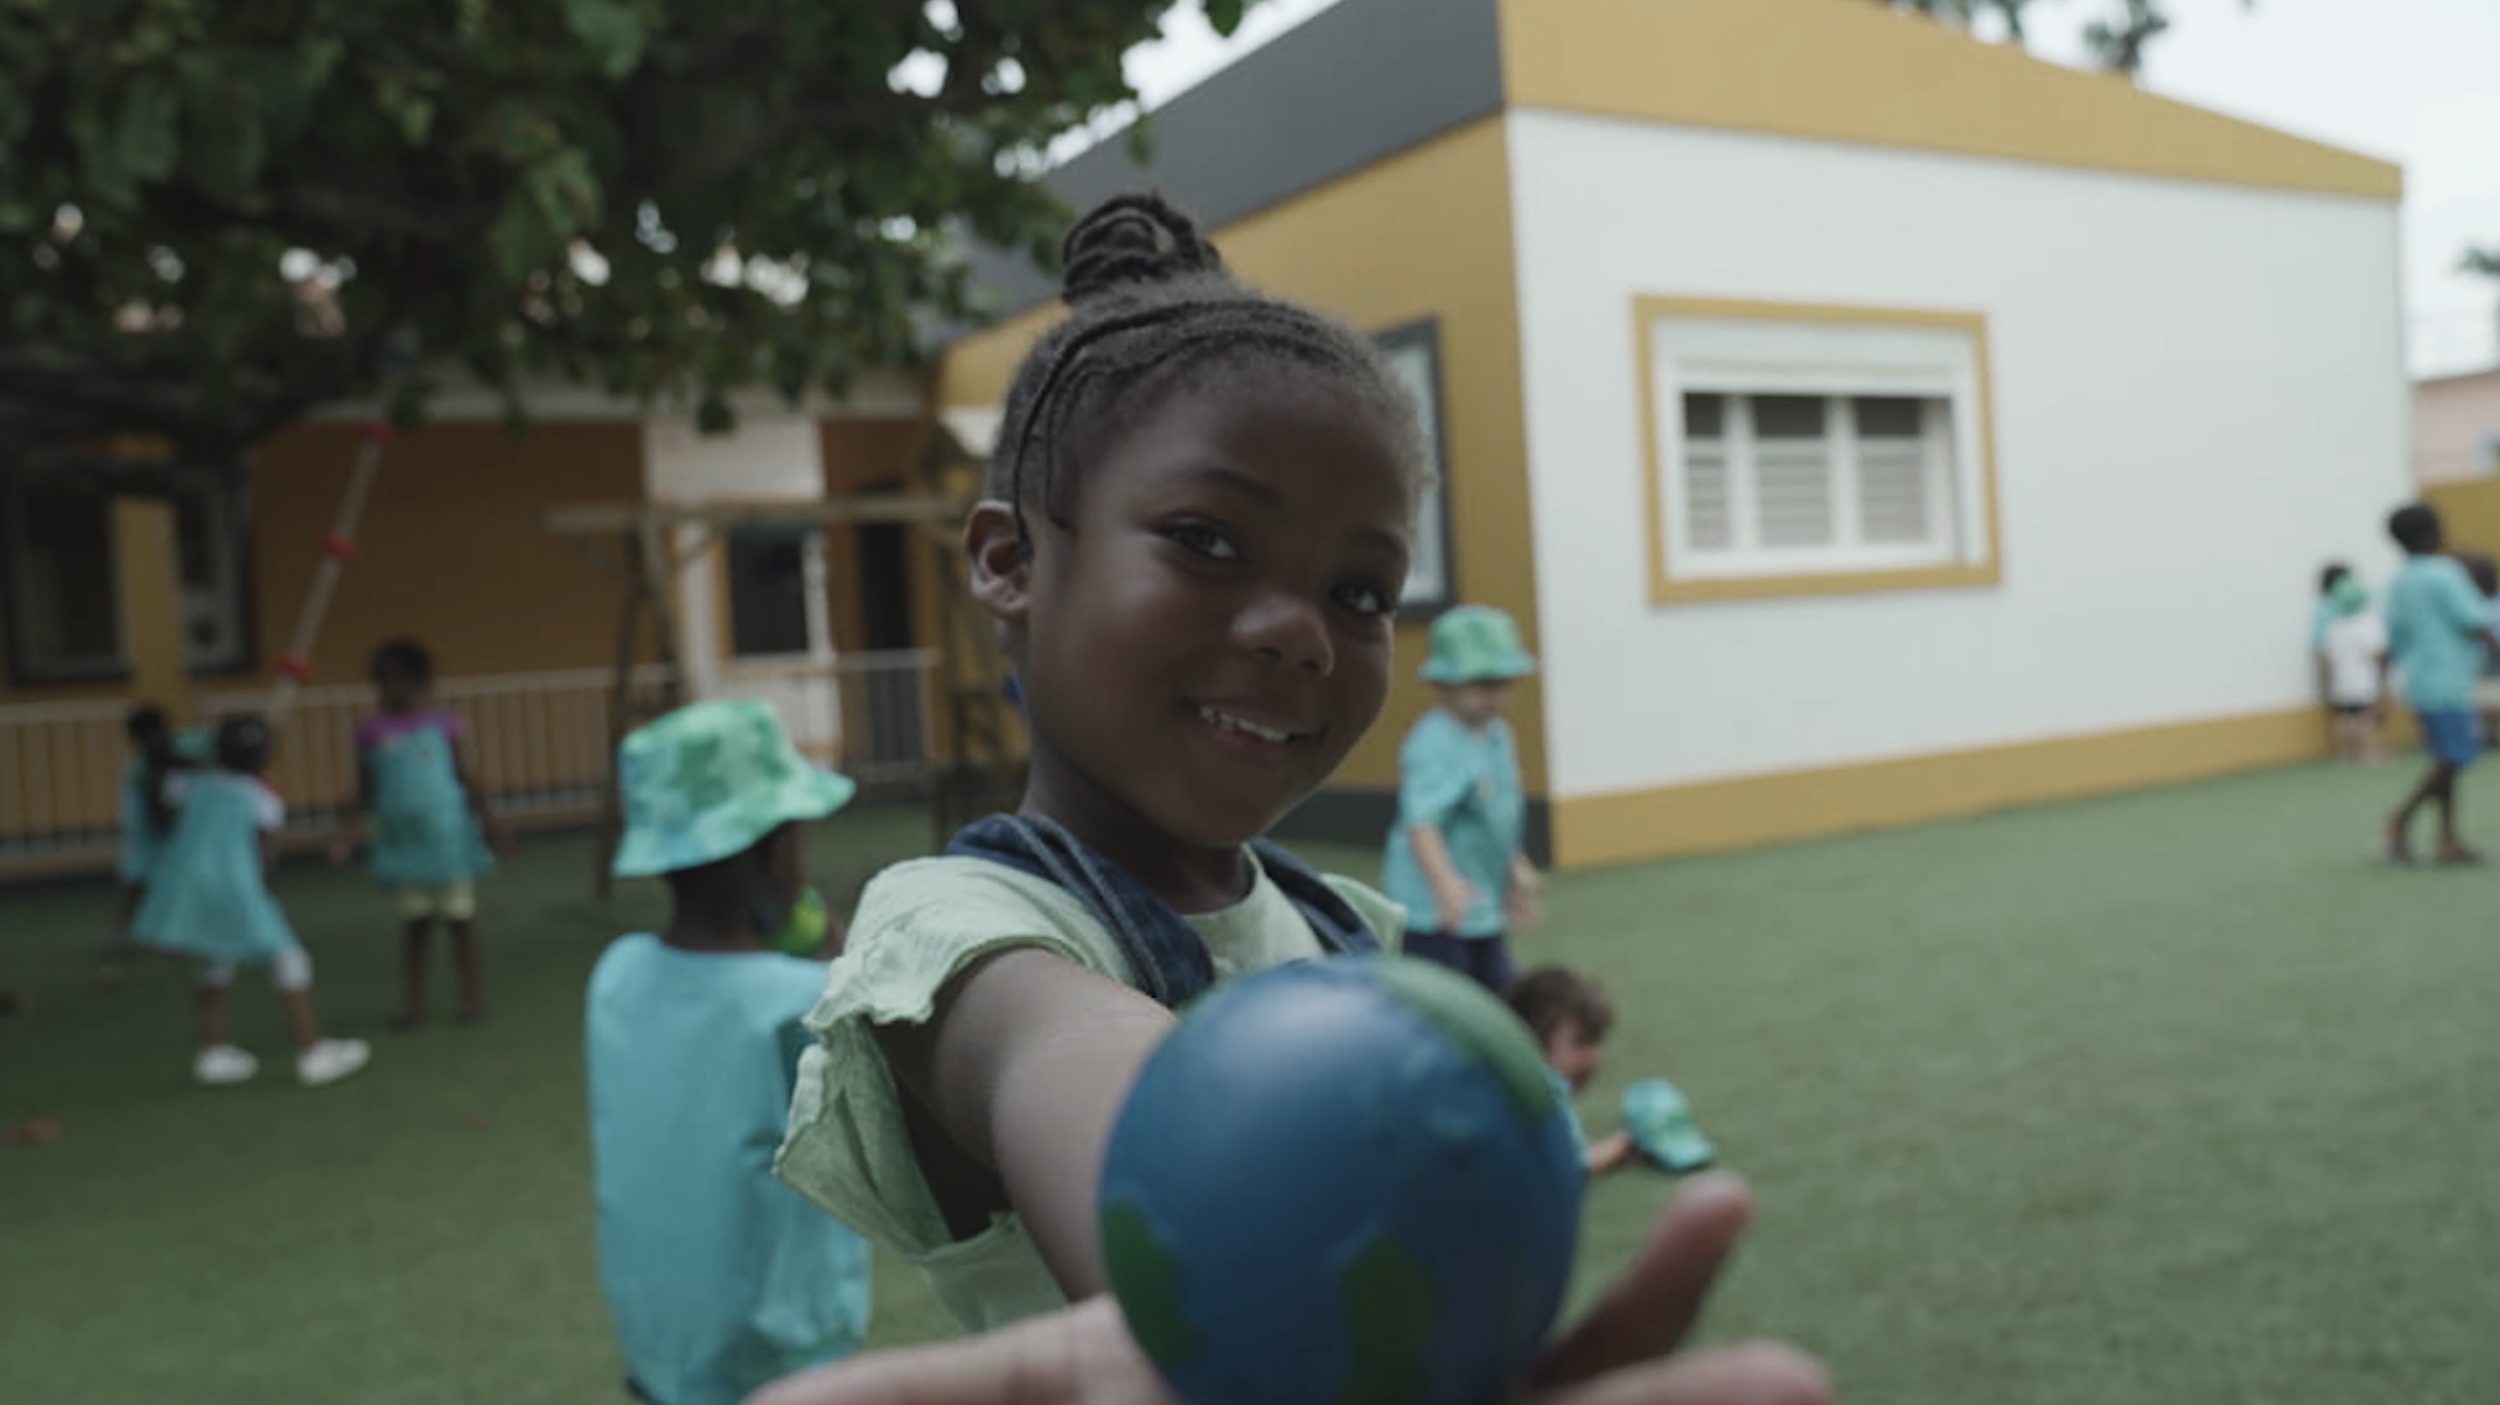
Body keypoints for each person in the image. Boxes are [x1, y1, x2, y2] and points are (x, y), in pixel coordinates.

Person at [767, 192, 1828, 1405]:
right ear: (1011, 559)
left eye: (1361, 592)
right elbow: (1089, 1068)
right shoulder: (955, 934)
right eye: (1207, 541)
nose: (1300, 633)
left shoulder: (1344, 927)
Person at [585, 698, 870, 1405]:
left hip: (662, 1340)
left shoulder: (615, 974)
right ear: (774, 848)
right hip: (780, 1354)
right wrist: (835, 969)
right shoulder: (796, 1000)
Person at [132, 715, 371, 1087]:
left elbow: (166, 807)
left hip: (192, 887)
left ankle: (211, 1052)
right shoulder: (261, 796)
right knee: (289, 959)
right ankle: (312, 1052)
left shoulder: (193, 783)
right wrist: (263, 893)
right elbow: (262, 853)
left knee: (215, 959)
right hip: (238, 888)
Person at [329, 638, 501, 1027]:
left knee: (460, 921)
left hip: (448, 840)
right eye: (384, 682)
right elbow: (365, 789)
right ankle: (414, 1004)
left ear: (421, 683)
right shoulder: (369, 731)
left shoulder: (443, 724)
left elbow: (464, 776)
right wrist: (345, 834)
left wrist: (490, 822)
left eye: (401, 681)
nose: (392, 690)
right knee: (415, 925)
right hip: (403, 843)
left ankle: (471, 998)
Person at [1383, 604, 1540, 992]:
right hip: (1435, 911)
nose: (1494, 695)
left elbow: (1499, 815)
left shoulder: (1499, 736)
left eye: (1501, 683)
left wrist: (1515, 875)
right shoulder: (1433, 743)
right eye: (1481, 684)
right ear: (1447, 684)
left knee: (1501, 994)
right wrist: (1444, 886)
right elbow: (1422, 824)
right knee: (1447, 1001)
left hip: (1481, 901)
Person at [2380, 505, 2500, 864]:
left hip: (2420, 681)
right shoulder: (2444, 573)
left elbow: (2394, 638)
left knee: (2447, 759)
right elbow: (2475, 621)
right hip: (2447, 680)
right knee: (2457, 755)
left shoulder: (2401, 580)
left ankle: (2447, 839)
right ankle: (2401, 817)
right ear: (2435, 532)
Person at [101, 705, 211, 978]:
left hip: (177, 814)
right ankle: (125, 933)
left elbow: (219, 748)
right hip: (149, 819)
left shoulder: (191, 743)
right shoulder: (140, 767)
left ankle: (172, 937)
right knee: (140, 873)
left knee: (174, 875)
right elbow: (158, 812)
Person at [1506, 965, 1637, 1176]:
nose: (1594, 1056)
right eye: (1581, 1042)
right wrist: (1625, 1144)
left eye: (1597, 1040)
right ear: (1535, 1042)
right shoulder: (1543, 1090)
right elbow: (1573, 1166)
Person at [2312, 564, 2386, 764]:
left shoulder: (2334, 625)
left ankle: (2346, 753)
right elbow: (2375, 652)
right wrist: (2381, 676)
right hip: (2363, 678)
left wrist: (2325, 681)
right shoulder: (2367, 622)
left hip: (2340, 680)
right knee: (2364, 717)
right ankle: (2368, 752)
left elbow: (2325, 654)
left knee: (2344, 716)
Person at [2456, 551, 2500, 746]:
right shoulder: (2468, 600)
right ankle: (2482, 736)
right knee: (2476, 703)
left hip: (2493, 661)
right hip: (2475, 663)